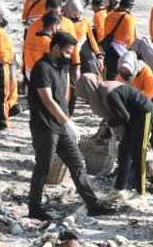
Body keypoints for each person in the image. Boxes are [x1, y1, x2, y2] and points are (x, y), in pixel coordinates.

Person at [27, 34, 116, 220]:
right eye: (67, 52)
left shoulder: (61, 67)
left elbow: (62, 98)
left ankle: (93, 204)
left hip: (59, 126)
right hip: (44, 127)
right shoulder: (41, 68)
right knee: (43, 167)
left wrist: (66, 120)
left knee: (77, 164)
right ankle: (34, 208)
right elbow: (47, 99)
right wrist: (68, 122)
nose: (69, 56)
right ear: (56, 48)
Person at [76, 73, 153, 206]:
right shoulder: (103, 89)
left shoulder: (109, 93)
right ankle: (119, 189)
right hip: (133, 118)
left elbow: (123, 116)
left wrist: (109, 124)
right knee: (124, 153)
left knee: (138, 154)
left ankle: (141, 194)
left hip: (145, 114)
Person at [117, 51, 153, 153]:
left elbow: (150, 93)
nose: (124, 75)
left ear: (133, 67)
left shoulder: (145, 71)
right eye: (122, 72)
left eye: (127, 72)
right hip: (135, 99)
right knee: (135, 129)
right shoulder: (120, 75)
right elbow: (116, 89)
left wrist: (133, 103)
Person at [101, 0, 136, 80]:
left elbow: (105, 33)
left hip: (108, 50)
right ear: (131, 6)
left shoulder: (109, 16)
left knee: (110, 77)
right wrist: (133, 53)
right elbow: (129, 38)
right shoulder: (128, 18)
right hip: (120, 52)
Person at [23, 12, 62, 79]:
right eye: (58, 29)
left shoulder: (29, 39)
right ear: (54, 27)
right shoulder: (49, 43)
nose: (58, 31)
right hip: (42, 77)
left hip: (29, 74)